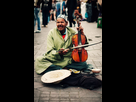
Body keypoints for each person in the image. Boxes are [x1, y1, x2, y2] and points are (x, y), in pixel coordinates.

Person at [35, 14, 102, 90]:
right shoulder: (51, 33)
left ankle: (58, 70)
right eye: (58, 22)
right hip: (55, 59)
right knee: (39, 60)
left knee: (83, 64)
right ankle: (64, 70)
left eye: (62, 22)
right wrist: (59, 52)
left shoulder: (72, 32)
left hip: (68, 60)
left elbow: (84, 45)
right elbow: (50, 51)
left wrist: (82, 34)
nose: (60, 24)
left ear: (66, 23)